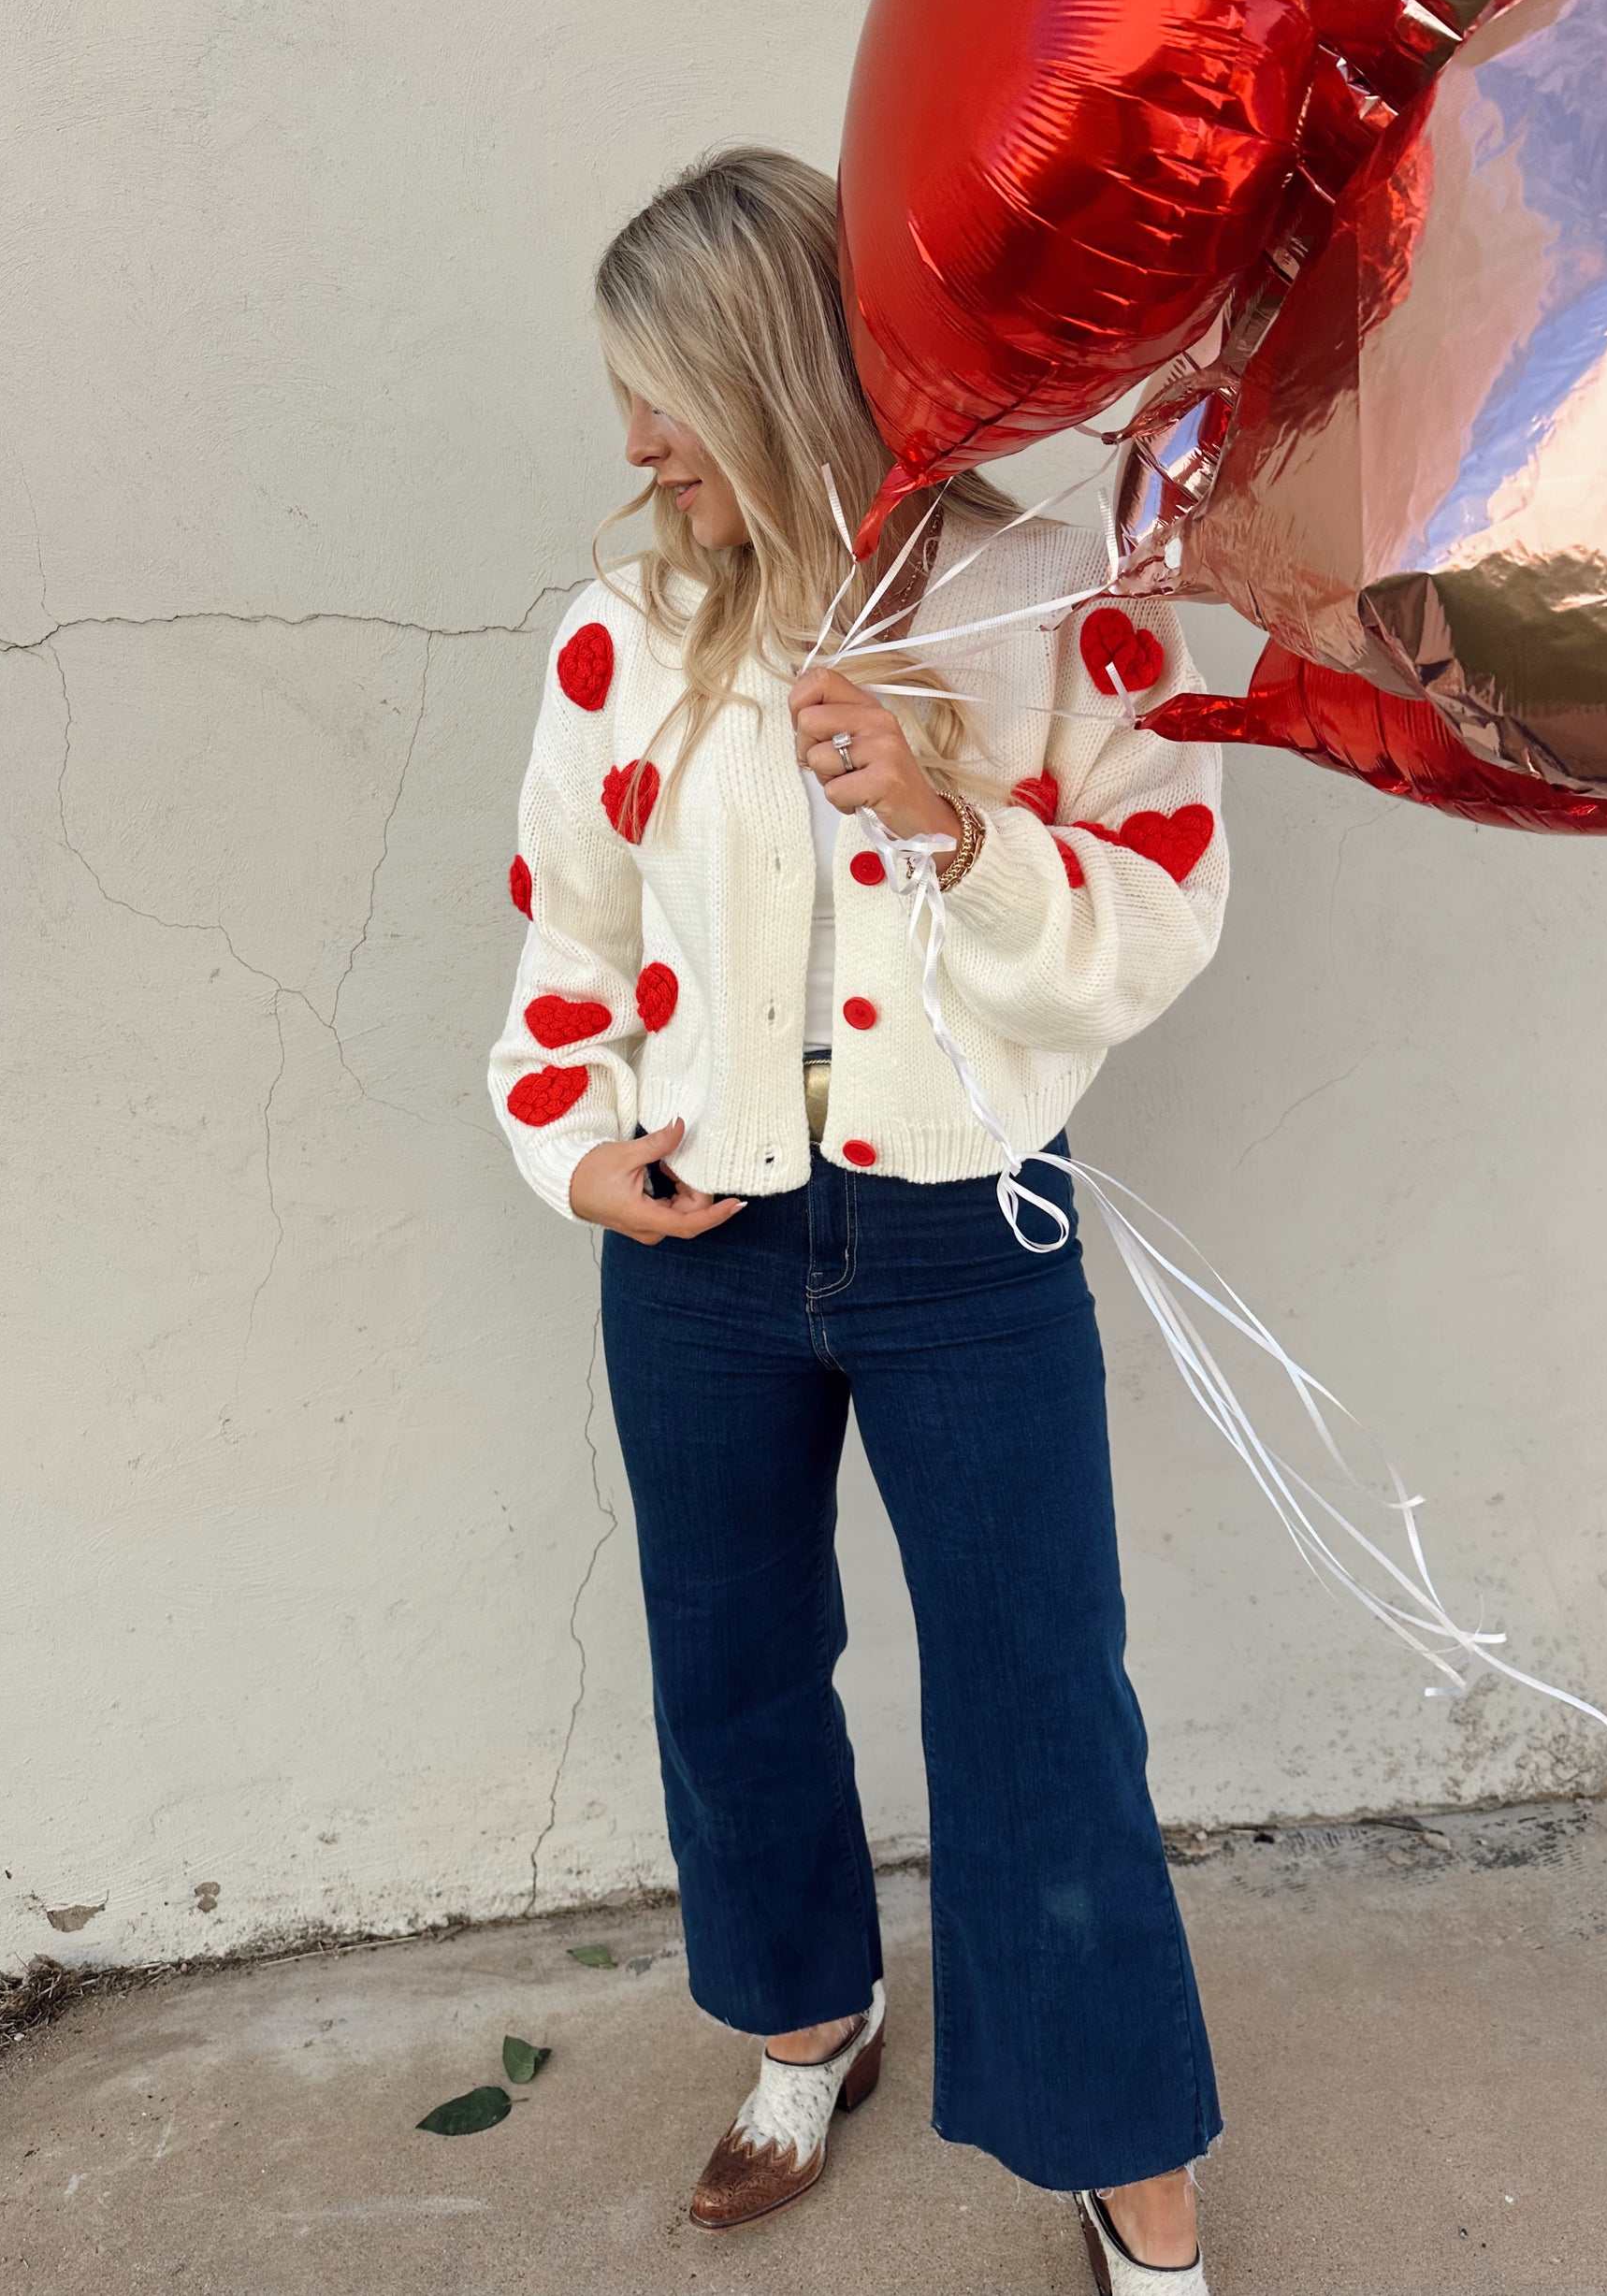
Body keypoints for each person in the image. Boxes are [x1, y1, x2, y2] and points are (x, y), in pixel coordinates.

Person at [487, 147, 1230, 2293]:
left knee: (1036, 1701)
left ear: (783, 372)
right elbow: (569, 919)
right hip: (700, 1243)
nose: (634, 442)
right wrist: (575, 1145)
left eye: (670, 391)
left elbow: (1157, 911)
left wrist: (955, 823)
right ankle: (812, 2016)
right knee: (729, 1661)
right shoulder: (627, 631)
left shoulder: (1039, 605)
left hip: (960, 1238)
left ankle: (1120, 2144)